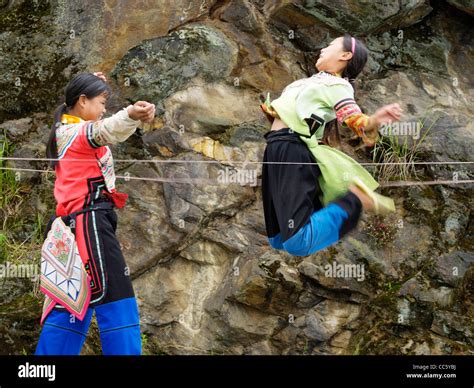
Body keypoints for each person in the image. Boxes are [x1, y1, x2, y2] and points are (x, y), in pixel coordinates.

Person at [35, 72, 155, 355]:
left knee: (70, 303)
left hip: (70, 229)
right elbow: (107, 130)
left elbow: (97, 123)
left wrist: (92, 77)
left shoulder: (64, 129)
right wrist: (131, 113)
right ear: (82, 101)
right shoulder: (76, 133)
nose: (103, 110)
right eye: (101, 102)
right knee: (117, 296)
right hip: (89, 224)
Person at [260, 35, 402, 256]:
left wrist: (374, 120)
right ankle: (338, 204)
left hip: (291, 147)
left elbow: (353, 118)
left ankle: (354, 201)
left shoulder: (338, 86)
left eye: (330, 45)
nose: (323, 48)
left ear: (345, 55)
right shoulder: (307, 82)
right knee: (278, 239)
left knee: (297, 242)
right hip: (275, 147)